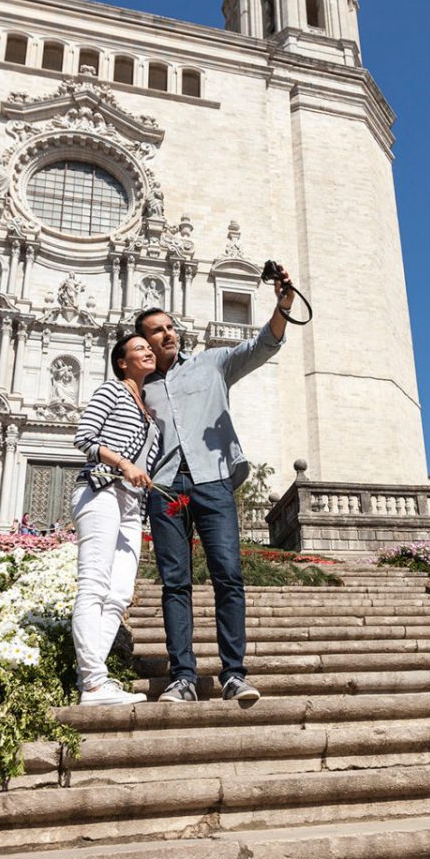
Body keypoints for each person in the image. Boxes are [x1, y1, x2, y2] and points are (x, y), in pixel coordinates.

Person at [136, 263, 296, 704]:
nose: (168, 334)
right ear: (143, 342)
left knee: (228, 575)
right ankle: (182, 677)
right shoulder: (138, 389)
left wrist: (283, 305)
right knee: (175, 582)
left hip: (212, 482)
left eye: (170, 327)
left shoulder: (212, 363)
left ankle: (234, 674)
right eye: (157, 330)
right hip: (166, 489)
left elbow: (263, 345)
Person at [68, 332, 161, 707]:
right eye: (140, 348)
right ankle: (94, 683)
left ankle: (90, 677)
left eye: (149, 348)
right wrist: (124, 464)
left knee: (119, 594)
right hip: (101, 490)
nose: (148, 351)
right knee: (93, 584)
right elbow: (84, 438)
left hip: (132, 505)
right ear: (122, 362)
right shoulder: (111, 390)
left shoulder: (149, 409)